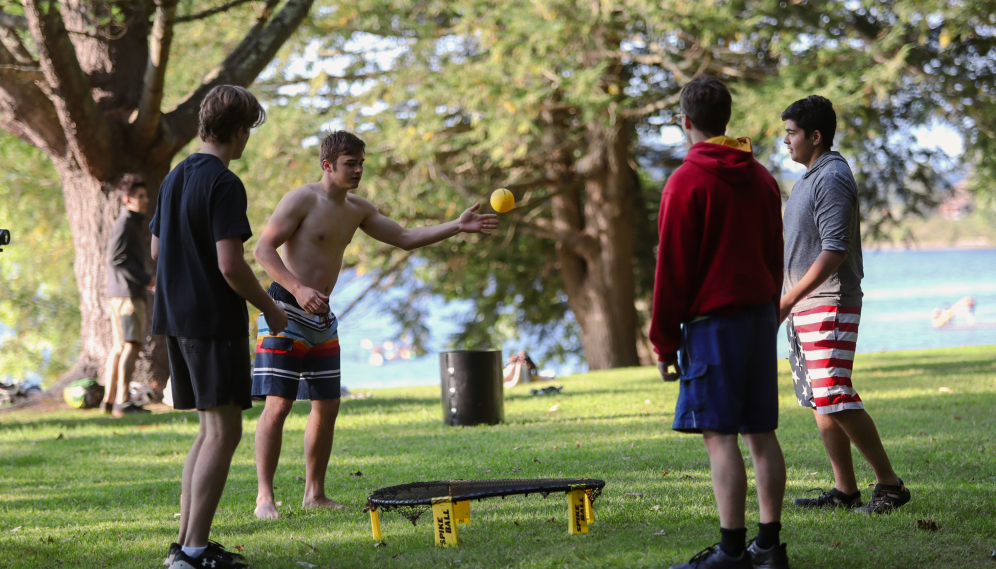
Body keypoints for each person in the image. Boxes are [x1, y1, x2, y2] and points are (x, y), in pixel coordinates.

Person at [251, 130, 499, 519]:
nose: (359, 170)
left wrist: (456, 225)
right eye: (351, 164)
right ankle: (264, 498)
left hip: (322, 318)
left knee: (327, 405)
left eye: (362, 163)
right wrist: (298, 289)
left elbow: (403, 237)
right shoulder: (302, 198)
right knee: (279, 405)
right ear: (327, 165)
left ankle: (314, 493)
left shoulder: (357, 209)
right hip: (285, 311)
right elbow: (263, 249)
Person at [650, 75, 789, 569]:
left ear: (685, 122)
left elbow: (673, 269)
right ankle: (769, 548)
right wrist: (769, 314)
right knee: (761, 432)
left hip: (714, 325)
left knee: (720, 436)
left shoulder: (686, 182)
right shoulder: (763, 178)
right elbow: (776, 257)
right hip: (757, 319)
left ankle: (732, 552)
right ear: (724, 119)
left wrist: (663, 342)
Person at [152, 85, 288, 569]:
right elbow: (231, 265)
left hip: (175, 319)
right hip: (212, 320)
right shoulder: (224, 183)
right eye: (249, 130)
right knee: (225, 432)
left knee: (210, 430)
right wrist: (269, 309)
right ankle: (191, 552)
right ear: (238, 131)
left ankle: (187, 547)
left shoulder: (175, 176)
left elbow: (155, 252)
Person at [780, 95, 911, 514]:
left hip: (827, 302)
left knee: (835, 394)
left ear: (815, 136)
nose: (786, 141)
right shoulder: (807, 179)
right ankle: (845, 491)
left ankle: (890, 486)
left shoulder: (831, 176)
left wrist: (788, 298)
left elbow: (834, 249)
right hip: (805, 305)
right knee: (821, 398)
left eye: (791, 133)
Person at [101, 176, 154, 417]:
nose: (146, 200)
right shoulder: (125, 224)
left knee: (120, 346)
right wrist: (146, 279)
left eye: (145, 195)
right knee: (131, 345)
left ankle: (109, 401)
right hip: (127, 294)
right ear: (127, 199)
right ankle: (123, 401)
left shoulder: (130, 223)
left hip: (119, 293)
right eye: (140, 196)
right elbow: (116, 259)